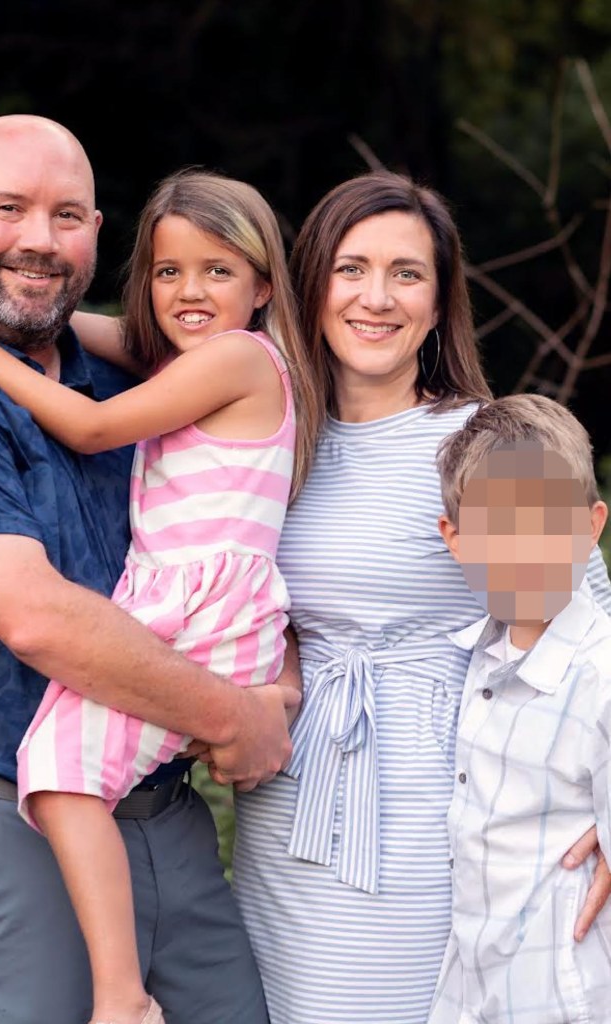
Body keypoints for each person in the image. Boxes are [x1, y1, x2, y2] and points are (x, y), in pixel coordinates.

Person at [0, 115, 302, 1024]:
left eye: (66, 215)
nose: (37, 240)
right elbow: (37, 620)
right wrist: (235, 715)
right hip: (7, 817)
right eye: (7, 209)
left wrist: (276, 681)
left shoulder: (125, 379)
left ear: (97, 231)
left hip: (162, 808)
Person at [226, 170, 611, 1024]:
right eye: (351, 268)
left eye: (407, 274)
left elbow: (594, 621)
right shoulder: (265, 435)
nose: (377, 297)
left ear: (439, 304)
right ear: (310, 285)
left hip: (430, 811)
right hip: (286, 800)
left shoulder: (479, 440)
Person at [430, 394, 611, 1022]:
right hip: (474, 989)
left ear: (590, 526)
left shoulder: (601, 678)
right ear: (455, 538)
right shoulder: (478, 659)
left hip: (567, 994)